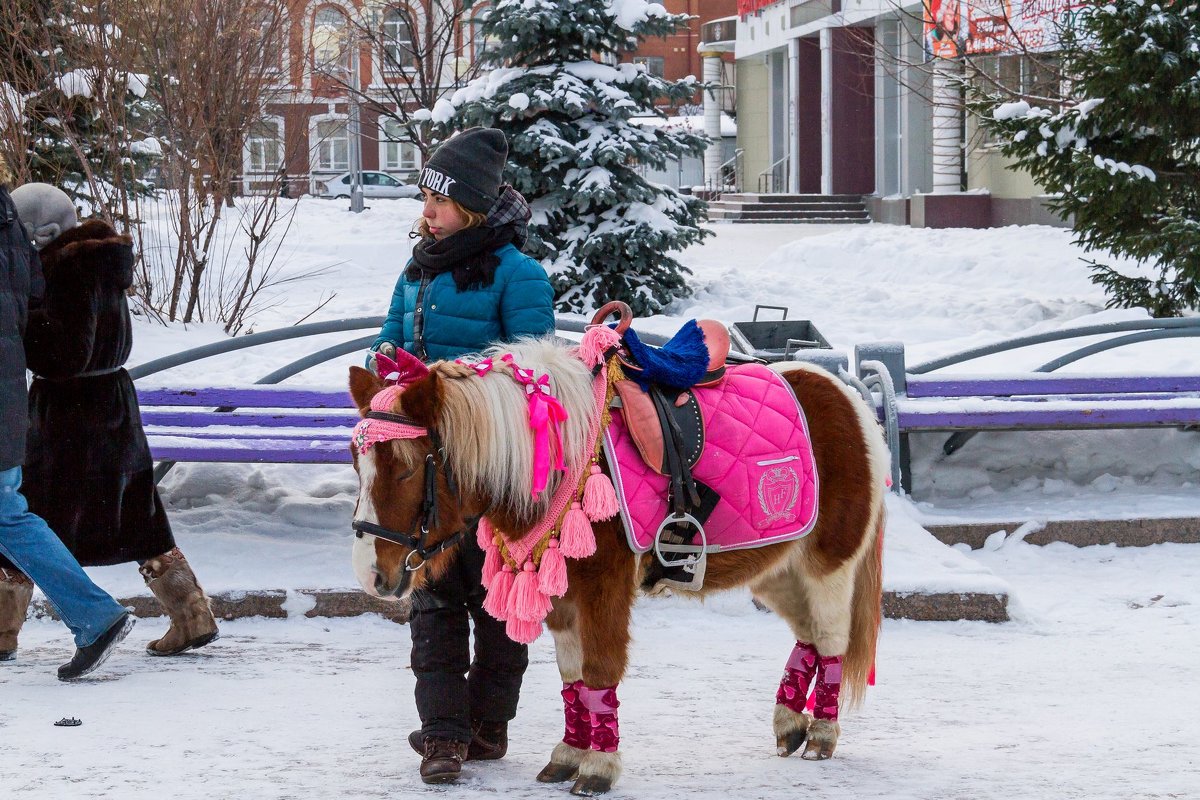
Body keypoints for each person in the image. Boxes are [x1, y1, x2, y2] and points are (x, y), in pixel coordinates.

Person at [367, 127, 555, 784]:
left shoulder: (519, 275)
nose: (427, 212)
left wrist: (452, 391)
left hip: (496, 471)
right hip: (429, 471)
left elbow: (531, 371)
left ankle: (489, 724)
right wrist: (388, 374)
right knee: (435, 598)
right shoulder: (418, 270)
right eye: (425, 199)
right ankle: (444, 736)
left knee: (499, 600)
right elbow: (386, 343)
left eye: (438, 202)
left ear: (470, 208)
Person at [0, 182, 218, 660]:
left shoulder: (68, 271)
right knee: (138, 516)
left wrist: (19, 330)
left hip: (70, 415)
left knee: (22, 516)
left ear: (45, 232)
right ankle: (192, 614)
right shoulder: (99, 263)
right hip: (111, 403)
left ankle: (3, 630)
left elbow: (67, 353)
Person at [0, 160, 135, 681]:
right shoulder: (10, 225)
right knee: (8, 513)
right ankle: (93, 615)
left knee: (8, 514)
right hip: (9, 396)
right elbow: (30, 304)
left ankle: (94, 614)